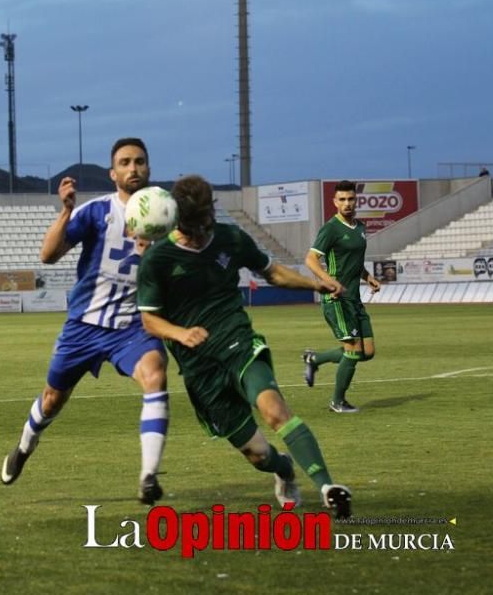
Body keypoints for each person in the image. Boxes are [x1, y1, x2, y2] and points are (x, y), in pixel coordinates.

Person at [136, 175, 351, 516]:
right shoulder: (157, 259)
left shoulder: (230, 238)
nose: (203, 231)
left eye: (207, 220)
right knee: (258, 455)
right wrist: (179, 333)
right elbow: (149, 319)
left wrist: (316, 285)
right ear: (178, 219)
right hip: (199, 369)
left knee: (274, 410)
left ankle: (328, 487)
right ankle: (283, 470)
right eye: (195, 225)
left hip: (237, 342)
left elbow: (273, 273)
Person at [0, 137, 171, 505]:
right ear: (113, 174)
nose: (133, 168)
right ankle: (24, 447)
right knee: (52, 400)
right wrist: (64, 211)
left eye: (139, 161)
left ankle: (148, 476)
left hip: (132, 328)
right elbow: (47, 256)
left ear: (149, 168)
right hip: (84, 326)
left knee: (155, 374)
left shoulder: (165, 216)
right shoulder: (96, 213)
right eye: (125, 162)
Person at [302, 180, 382, 413]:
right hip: (336, 300)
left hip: (354, 299)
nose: (347, 203)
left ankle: (314, 359)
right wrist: (328, 280)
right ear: (335, 202)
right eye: (342, 199)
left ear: (356, 200)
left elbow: (354, 263)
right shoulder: (331, 229)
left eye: (351, 199)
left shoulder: (360, 228)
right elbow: (310, 259)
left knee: (366, 352)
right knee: (353, 351)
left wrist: (368, 277)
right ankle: (337, 402)